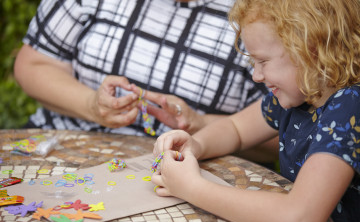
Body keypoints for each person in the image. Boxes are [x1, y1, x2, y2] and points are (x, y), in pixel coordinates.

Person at [151, 0, 360, 222]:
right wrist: (195, 144)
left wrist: (192, 187)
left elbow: (298, 219)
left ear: (311, 50)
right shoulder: (301, 93)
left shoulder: (350, 105)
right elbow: (236, 128)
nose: (256, 75)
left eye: (262, 61)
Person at [14, 0, 277, 163]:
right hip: (57, 149)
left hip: (185, 170)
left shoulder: (259, 13)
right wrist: (91, 105)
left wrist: (200, 125)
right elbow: (32, 65)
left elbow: (282, 131)